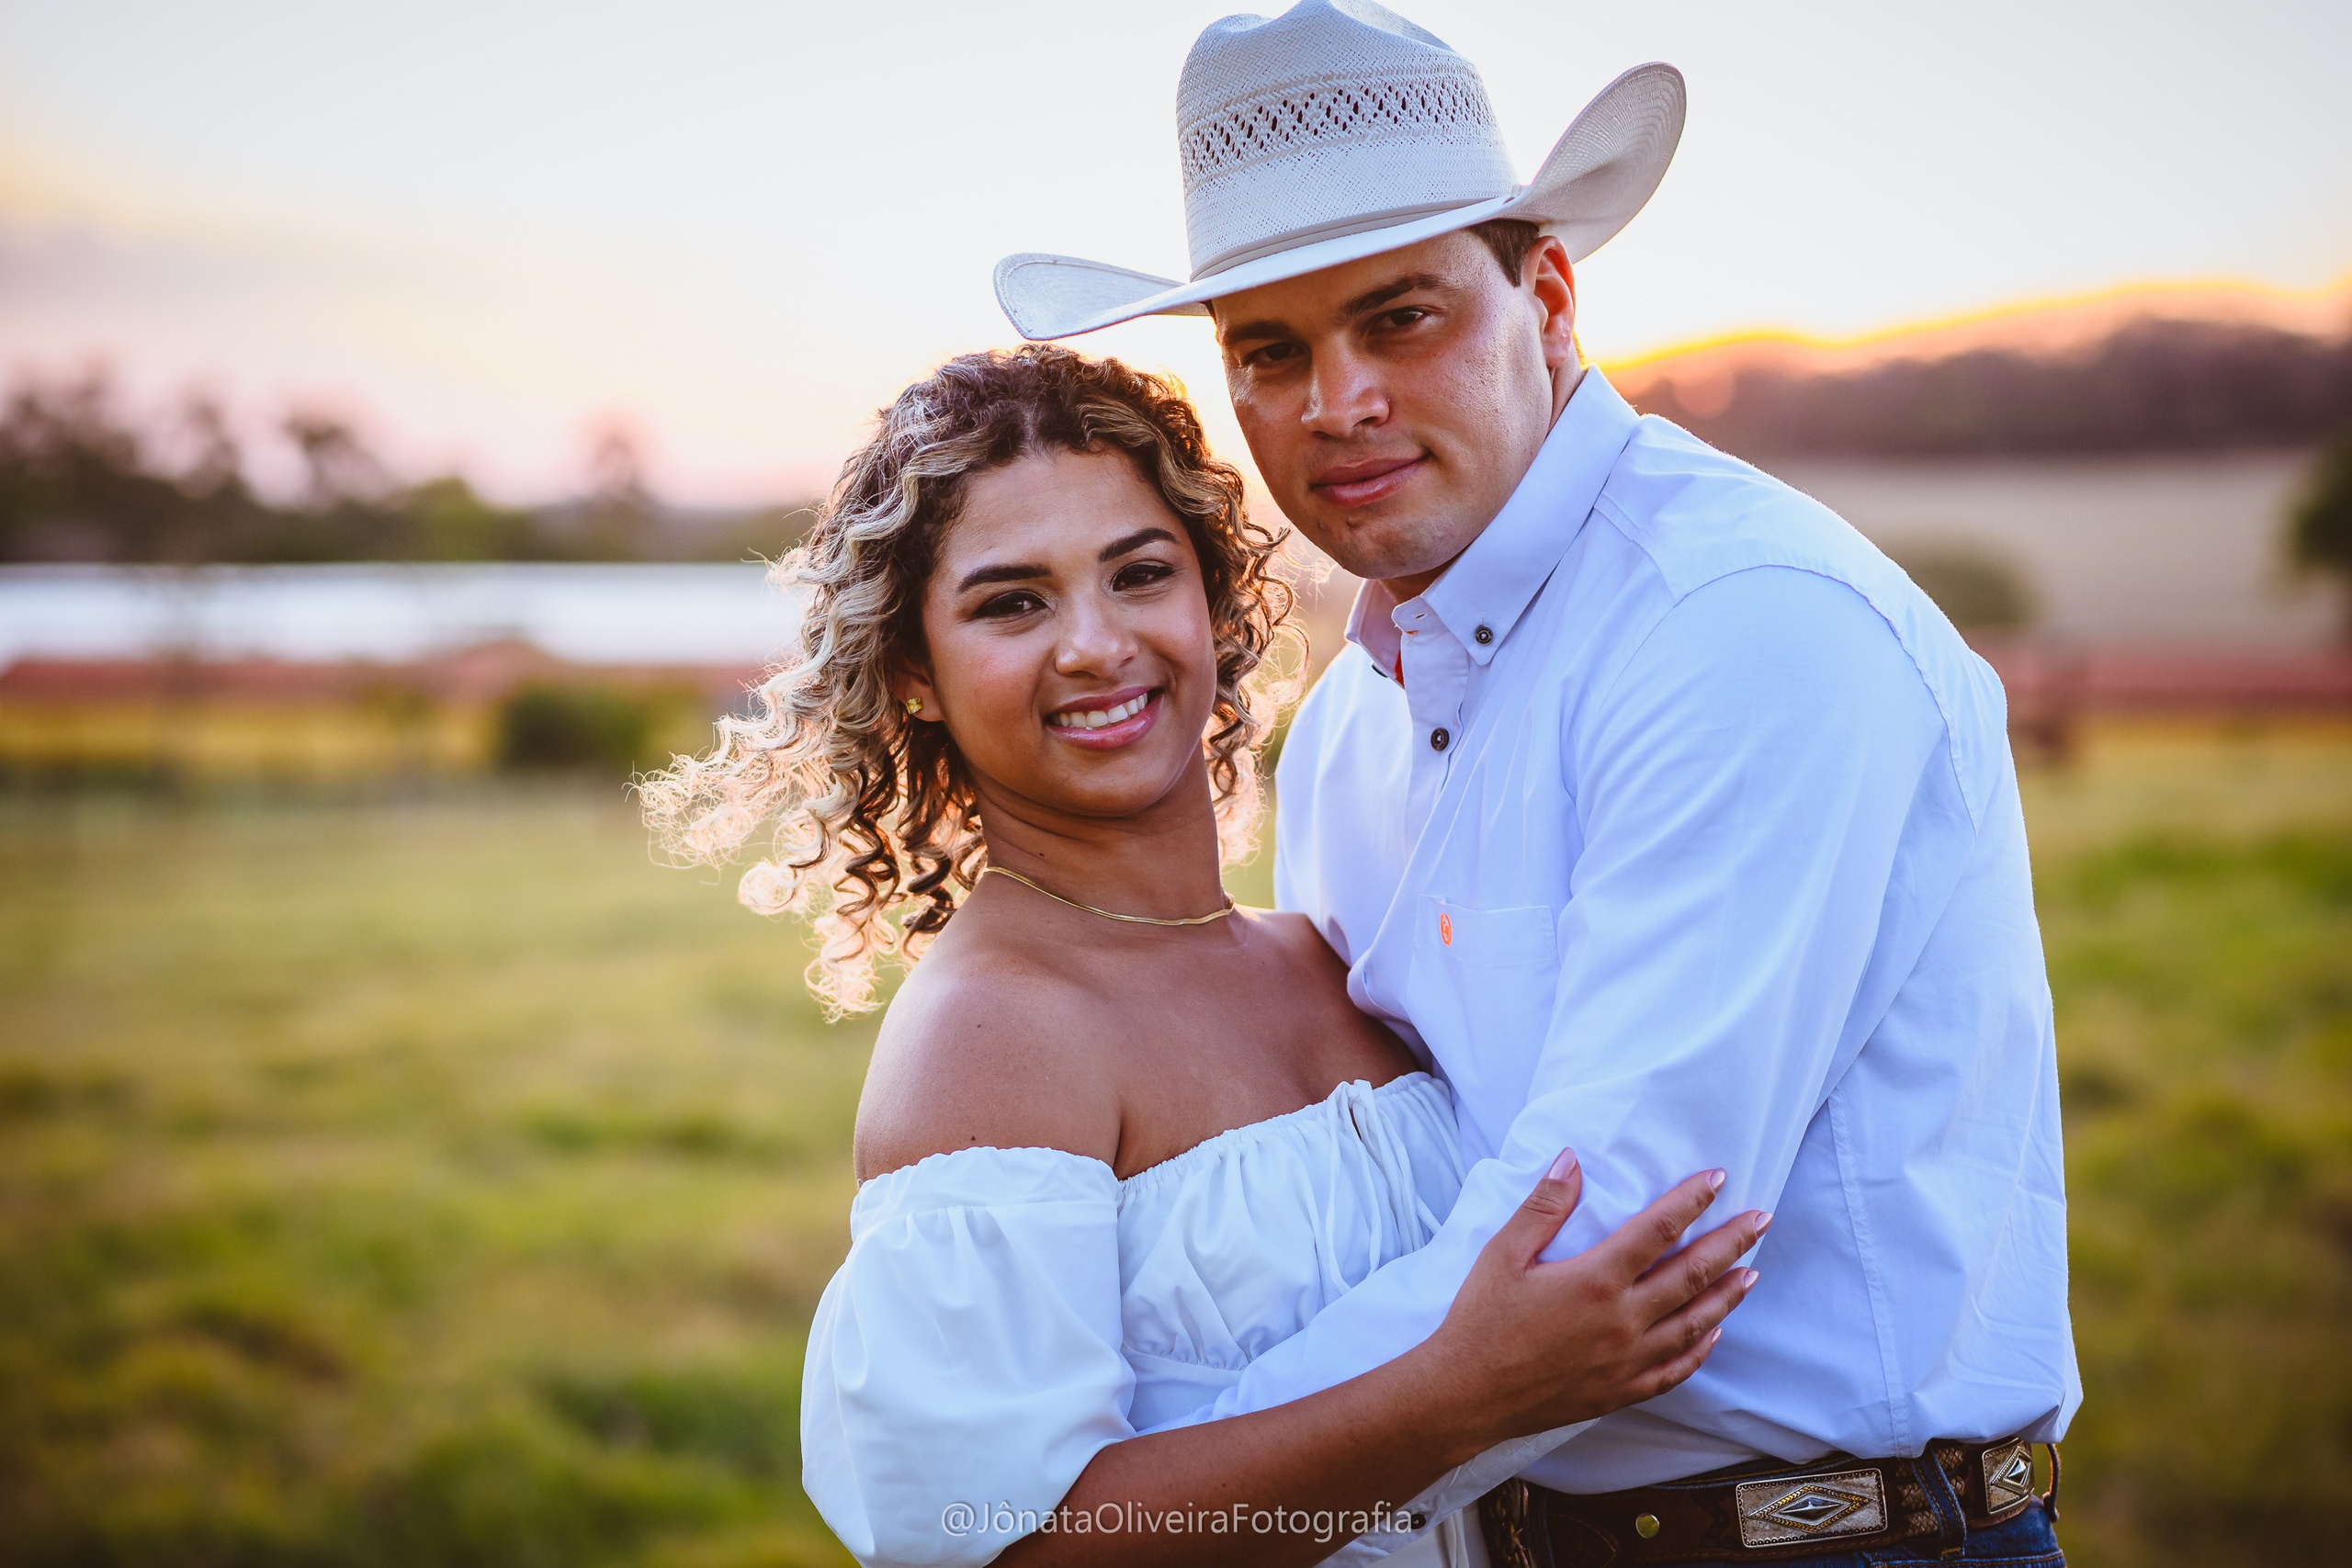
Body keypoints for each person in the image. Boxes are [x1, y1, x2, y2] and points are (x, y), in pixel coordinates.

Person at [992, 4, 2080, 1566]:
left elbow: (1600, 1241)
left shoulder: (1738, 628)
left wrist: (1131, 1513)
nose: (1336, 403)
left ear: (1549, 297)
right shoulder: (1349, 729)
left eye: (1400, 318)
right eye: (1270, 351)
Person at [641, 346, 1767, 1567]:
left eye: (1140, 575)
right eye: (1012, 603)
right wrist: (1455, 1397)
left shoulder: (1330, 956)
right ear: (915, 672)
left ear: (1215, 604)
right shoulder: (993, 1035)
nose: (1095, 645)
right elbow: (1005, 1552)